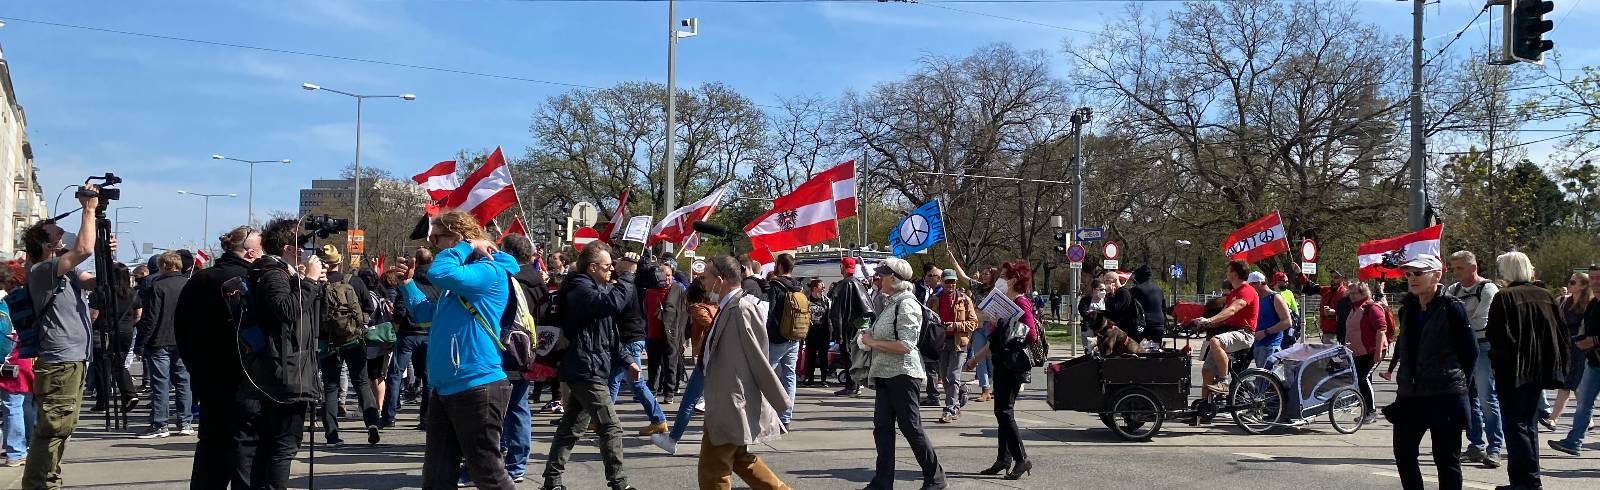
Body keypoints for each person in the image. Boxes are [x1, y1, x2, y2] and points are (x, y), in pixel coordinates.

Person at [402, 211, 520, 489]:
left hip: (477, 384)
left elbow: (440, 272)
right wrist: (407, 284)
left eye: (437, 238)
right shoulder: (462, 279)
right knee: (437, 476)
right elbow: (425, 314)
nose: (434, 245)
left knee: (488, 473)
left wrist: (466, 246)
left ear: (456, 236)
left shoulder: (489, 270)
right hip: (448, 387)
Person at [20, 186, 109, 490]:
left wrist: (105, 251)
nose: (62, 235)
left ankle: (46, 479)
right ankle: (40, 484)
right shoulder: (43, 270)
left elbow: (95, 280)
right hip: (60, 361)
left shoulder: (65, 271)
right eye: (56, 234)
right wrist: (89, 210)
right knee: (54, 428)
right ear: (46, 245)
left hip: (72, 360)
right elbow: (81, 249)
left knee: (61, 427)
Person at [541, 242, 638, 490]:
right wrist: (627, 274)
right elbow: (612, 305)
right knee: (610, 427)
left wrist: (627, 360)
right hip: (585, 369)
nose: (611, 271)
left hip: (591, 366)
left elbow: (607, 332)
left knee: (571, 427)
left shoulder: (596, 288)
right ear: (592, 267)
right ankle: (619, 484)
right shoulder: (578, 288)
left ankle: (552, 481)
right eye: (608, 267)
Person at [173, 225, 262, 487]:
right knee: (244, 447)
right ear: (250, 253)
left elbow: (182, 328)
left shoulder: (200, 279)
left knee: (211, 446)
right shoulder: (250, 280)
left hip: (208, 376)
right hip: (246, 378)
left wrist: (195, 367)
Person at [695, 255, 792, 490]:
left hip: (731, 401)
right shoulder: (729, 305)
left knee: (712, 472)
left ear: (720, 280)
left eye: (706, 278)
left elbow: (759, 357)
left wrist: (778, 399)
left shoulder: (741, 308)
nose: (703, 283)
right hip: (723, 399)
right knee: (740, 459)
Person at [241, 218, 324, 489]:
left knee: (273, 444)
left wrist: (307, 283)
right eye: (302, 244)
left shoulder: (280, 273)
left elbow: (307, 316)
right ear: (290, 247)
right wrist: (309, 281)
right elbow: (287, 311)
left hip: (286, 369)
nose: (306, 249)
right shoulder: (272, 274)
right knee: (283, 444)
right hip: (283, 373)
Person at [1389, 254, 1476, 490]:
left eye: (1418, 273)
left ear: (1436, 275)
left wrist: (1457, 382)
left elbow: (1470, 352)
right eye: (1409, 274)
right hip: (1410, 395)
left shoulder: (1452, 308)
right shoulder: (1407, 308)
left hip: (1444, 394)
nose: (1412, 278)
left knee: (1446, 460)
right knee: (1404, 454)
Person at [859, 258, 946, 490]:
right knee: (882, 429)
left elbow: (906, 345)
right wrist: (868, 336)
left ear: (893, 279)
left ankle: (935, 478)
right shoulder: (890, 302)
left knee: (911, 427)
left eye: (881, 275)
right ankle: (882, 482)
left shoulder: (906, 304)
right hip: (885, 375)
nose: (877, 279)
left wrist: (872, 341)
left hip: (904, 374)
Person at [1484, 251, 1568, 490]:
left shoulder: (1504, 297)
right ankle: (1528, 480)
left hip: (1513, 371)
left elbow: (1497, 337)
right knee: (1528, 425)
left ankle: (1526, 482)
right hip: (1539, 370)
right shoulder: (1545, 295)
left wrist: (1496, 365)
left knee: (1516, 426)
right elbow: (1560, 333)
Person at [963, 259, 1040, 482]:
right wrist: (976, 359)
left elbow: (1031, 334)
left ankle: (1021, 458)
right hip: (1002, 362)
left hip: (1013, 365)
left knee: (1004, 412)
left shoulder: (1021, 303)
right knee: (1001, 412)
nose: (1000, 280)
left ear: (1014, 280)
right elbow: (995, 341)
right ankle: (1003, 459)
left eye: (1004, 276)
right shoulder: (1005, 302)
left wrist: (1004, 322)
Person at [315, 245, 380, 448]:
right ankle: (371, 422)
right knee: (361, 382)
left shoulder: (316, 284)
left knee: (331, 387)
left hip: (327, 342)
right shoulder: (355, 281)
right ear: (339, 261)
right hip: (353, 339)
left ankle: (332, 435)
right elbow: (369, 307)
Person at [1444, 250, 1505, 468]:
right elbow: (1445, 316)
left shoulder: (1488, 288)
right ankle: (1475, 445)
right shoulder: (1453, 289)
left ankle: (1495, 448)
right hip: (1460, 347)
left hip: (1481, 346)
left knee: (1487, 397)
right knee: (1468, 398)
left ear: (1473, 267)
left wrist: (1458, 322)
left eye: (1460, 268)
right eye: (1454, 267)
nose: (1455, 272)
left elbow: (1481, 320)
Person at [651, 276, 718, 454]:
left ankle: (673, 439)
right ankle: (724, 441)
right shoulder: (717, 307)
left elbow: (712, 325)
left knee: (689, 401)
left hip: (707, 358)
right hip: (712, 357)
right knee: (713, 401)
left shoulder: (698, 308)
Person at [496, 234, 542, 483]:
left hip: (510, 350)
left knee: (510, 407)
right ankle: (515, 460)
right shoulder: (538, 281)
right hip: (527, 351)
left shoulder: (511, 281)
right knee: (516, 406)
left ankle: (513, 463)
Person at [134, 252, 194, 438]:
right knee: (184, 382)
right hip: (183, 340)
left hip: (159, 340)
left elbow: (151, 317)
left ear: (163, 266)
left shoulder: (157, 286)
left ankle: (160, 423)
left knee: (160, 383)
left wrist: (141, 343)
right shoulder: (188, 284)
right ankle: (185, 421)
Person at [610, 253, 668, 436]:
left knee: (635, 383)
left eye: (618, 262)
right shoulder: (634, 284)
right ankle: (602, 419)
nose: (614, 265)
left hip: (630, 338)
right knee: (615, 380)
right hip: (631, 337)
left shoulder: (629, 285)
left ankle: (658, 419)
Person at [1188, 260, 1260, 395]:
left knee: (1216, 341)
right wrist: (1203, 323)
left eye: (1228, 270)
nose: (1226, 273)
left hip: (1244, 333)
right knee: (1207, 371)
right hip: (1229, 331)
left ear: (1235, 274)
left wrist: (1209, 319)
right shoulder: (1232, 293)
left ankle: (1224, 382)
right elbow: (1223, 316)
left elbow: (1232, 310)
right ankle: (1205, 407)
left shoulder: (1247, 291)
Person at [1549, 265, 1600, 456]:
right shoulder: (1592, 304)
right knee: (1584, 403)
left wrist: (1592, 340)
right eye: (1593, 278)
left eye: (1598, 278)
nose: (1596, 282)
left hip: (1589, 355)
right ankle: (1574, 442)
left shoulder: (1592, 303)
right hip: (1593, 361)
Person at [388, 247, 437, 430]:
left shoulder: (415, 279)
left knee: (396, 374)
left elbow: (402, 305)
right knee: (427, 378)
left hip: (408, 332)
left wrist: (397, 324)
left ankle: (389, 415)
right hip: (427, 333)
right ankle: (426, 418)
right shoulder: (439, 280)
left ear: (415, 261)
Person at [86, 263, 139, 415]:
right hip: (126, 332)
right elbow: (138, 314)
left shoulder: (102, 292)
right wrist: (127, 324)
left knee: (102, 367)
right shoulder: (132, 293)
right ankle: (129, 393)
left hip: (105, 332)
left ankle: (103, 401)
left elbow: (94, 315)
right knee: (119, 364)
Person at [928, 269, 977, 424]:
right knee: (944, 376)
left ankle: (949, 409)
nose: (950, 284)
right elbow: (928, 320)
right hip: (941, 343)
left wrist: (955, 326)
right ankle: (960, 395)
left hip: (958, 343)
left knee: (952, 375)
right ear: (941, 281)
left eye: (953, 282)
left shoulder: (964, 299)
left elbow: (973, 323)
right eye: (947, 281)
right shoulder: (934, 299)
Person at [1, 260, 37, 468]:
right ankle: (17, 450)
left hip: (10, 361)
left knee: (13, 406)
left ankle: (15, 448)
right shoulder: (16, 301)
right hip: (17, 360)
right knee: (19, 405)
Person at [764, 253, 803, 426]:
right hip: (794, 336)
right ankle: (785, 417)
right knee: (789, 376)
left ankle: (763, 415)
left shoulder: (775, 285)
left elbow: (769, 311)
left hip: (776, 337)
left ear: (779, 266)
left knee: (766, 375)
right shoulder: (798, 287)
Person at [1548, 272, 1589, 432]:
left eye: (1573, 282)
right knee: (1574, 386)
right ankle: (1588, 419)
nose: (1569, 284)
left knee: (1570, 386)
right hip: (1566, 347)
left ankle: (1553, 419)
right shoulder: (1565, 301)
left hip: (1582, 349)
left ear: (1583, 286)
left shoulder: (1589, 304)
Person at [1343, 281, 1388, 422]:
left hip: (1372, 351)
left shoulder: (1372, 307)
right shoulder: (1354, 308)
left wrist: (1378, 352)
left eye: (1354, 293)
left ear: (1363, 293)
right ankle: (1366, 411)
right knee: (1360, 381)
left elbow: (1381, 329)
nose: (1351, 296)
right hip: (1358, 352)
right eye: (1350, 293)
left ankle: (1372, 412)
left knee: (1364, 378)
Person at [829, 257, 873, 398]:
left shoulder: (843, 285)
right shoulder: (858, 284)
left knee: (848, 356)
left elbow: (837, 312)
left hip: (847, 327)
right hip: (857, 326)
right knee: (853, 356)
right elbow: (868, 309)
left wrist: (838, 333)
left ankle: (852, 386)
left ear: (842, 267)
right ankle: (853, 384)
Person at [1248, 272, 1291, 368]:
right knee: (1261, 379)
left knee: (1267, 380)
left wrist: (1266, 332)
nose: (1249, 289)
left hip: (1271, 345)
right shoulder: (1256, 298)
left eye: (1251, 285)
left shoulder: (1275, 297)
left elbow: (1287, 322)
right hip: (1258, 344)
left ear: (1258, 283)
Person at [802, 278, 833, 387]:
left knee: (823, 356)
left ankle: (824, 379)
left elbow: (830, 316)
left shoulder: (826, 301)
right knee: (810, 356)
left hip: (823, 332)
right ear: (815, 288)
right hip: (811, 333)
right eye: (821, 287)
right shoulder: (807, 300)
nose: (823, 289)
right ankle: (810, 379)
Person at [1128, 265, 1167, 346]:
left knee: (1140, 351)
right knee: (1156, 349)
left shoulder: (1136, 290)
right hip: (1159, 324)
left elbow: (1130, 307)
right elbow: (1163, 308)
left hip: (1145, 325)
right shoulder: (1159, 289)